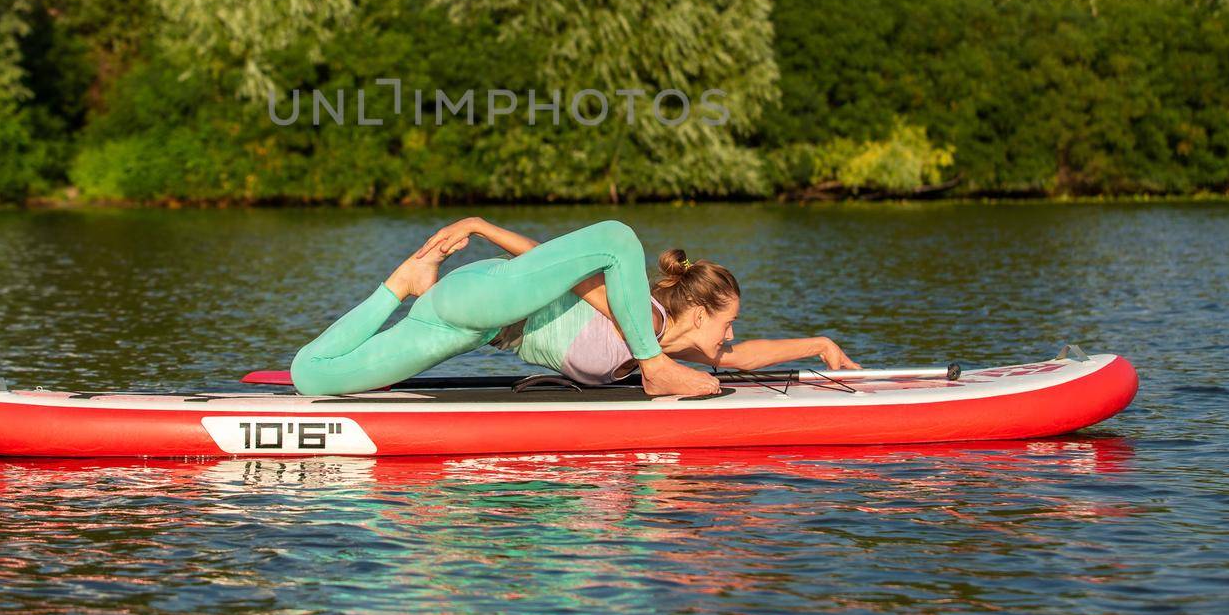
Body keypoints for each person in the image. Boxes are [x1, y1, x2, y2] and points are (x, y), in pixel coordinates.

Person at [289, 217, 860, 397]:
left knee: (311, 377)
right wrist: (482, 227)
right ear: (699, 309)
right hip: (491, 293)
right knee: (618, 236)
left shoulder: (663, 339)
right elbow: (547, 263)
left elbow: (740, 359)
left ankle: (400, 282)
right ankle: (413, 281)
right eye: (728, 321)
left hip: (465, 325)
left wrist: (820, 345)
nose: (732, 334)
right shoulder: (637, 312)